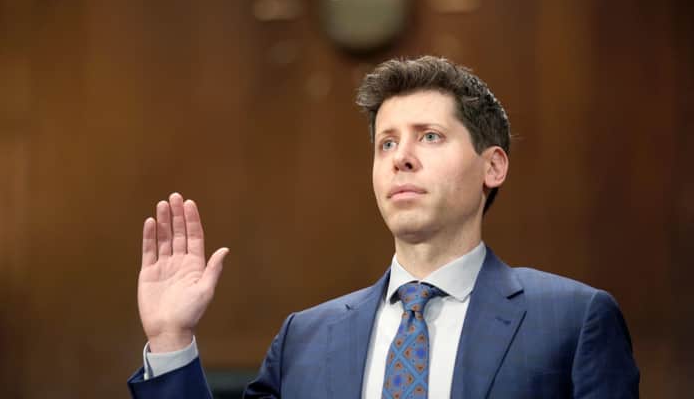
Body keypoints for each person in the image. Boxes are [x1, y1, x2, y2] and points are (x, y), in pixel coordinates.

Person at [127, 56, 639, 398]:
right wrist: (172, 340)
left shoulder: (572, 321)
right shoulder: (306, 338)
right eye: (387, 143)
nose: (401, 158)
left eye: (430, 136)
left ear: (493, 166)